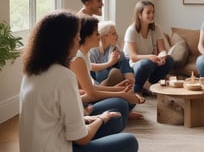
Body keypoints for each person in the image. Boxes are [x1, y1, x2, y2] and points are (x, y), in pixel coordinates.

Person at [18, 10, 138, 152]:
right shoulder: (63, 75)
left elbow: (51, 116)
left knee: (116, 118)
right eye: (76, 37)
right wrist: (102, 118)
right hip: (61, 147)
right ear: (63, 42)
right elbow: (82, 138)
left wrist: (88, 118)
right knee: (129, 142)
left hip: (40, 144)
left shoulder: (31, 71)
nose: (78, 41)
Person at [70, 16, 145, 121]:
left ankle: (123, 112)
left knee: (128, 98)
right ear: (86, 37)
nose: (99, 36)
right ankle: (123, 113)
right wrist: (121, 94)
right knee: (122, 103)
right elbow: (91, 93)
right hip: (83, 104)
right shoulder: (78, 58)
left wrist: (119, 89)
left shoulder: (84, 55)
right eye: (97, 33)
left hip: (88, 97)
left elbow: (91, 89)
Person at [123, 0, 174, 95]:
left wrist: (162, 55)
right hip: (132, 63)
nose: (152, 15)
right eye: (148, 12)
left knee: (169, 60)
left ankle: (151, 86)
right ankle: (137, 88)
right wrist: (150, 57)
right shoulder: (131, 31)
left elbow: (162, 49)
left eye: (153, 12)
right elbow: (133, 57)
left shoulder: (156, 28)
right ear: (139, 15)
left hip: (150, 60)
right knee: (147, 63)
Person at [90, 21, 135, 86]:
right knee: (113, 71)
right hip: (98, 77)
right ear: (105, 36)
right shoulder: (94, 50)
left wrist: (118, 54)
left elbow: (122, 61)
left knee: (124, 60)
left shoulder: (113, 46)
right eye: (114, 34)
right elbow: (90, 67)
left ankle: (133, 84)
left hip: (109, 74)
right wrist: (109, 63)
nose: (117, 36)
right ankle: (104, 85)